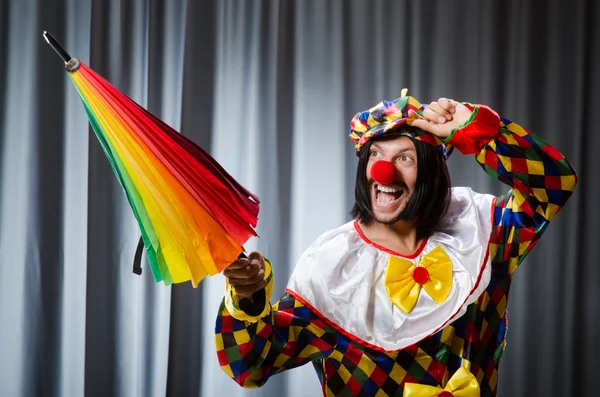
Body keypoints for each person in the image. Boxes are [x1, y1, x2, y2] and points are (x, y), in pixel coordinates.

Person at [215, 94, 577, 396]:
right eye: (375, 155)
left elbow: (554, 185)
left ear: (432, 173)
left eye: (404, 158)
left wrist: (480, 133)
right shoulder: (332, 268)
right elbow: (250, 366)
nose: (383, 172)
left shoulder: (484, 231)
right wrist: (248, 298)